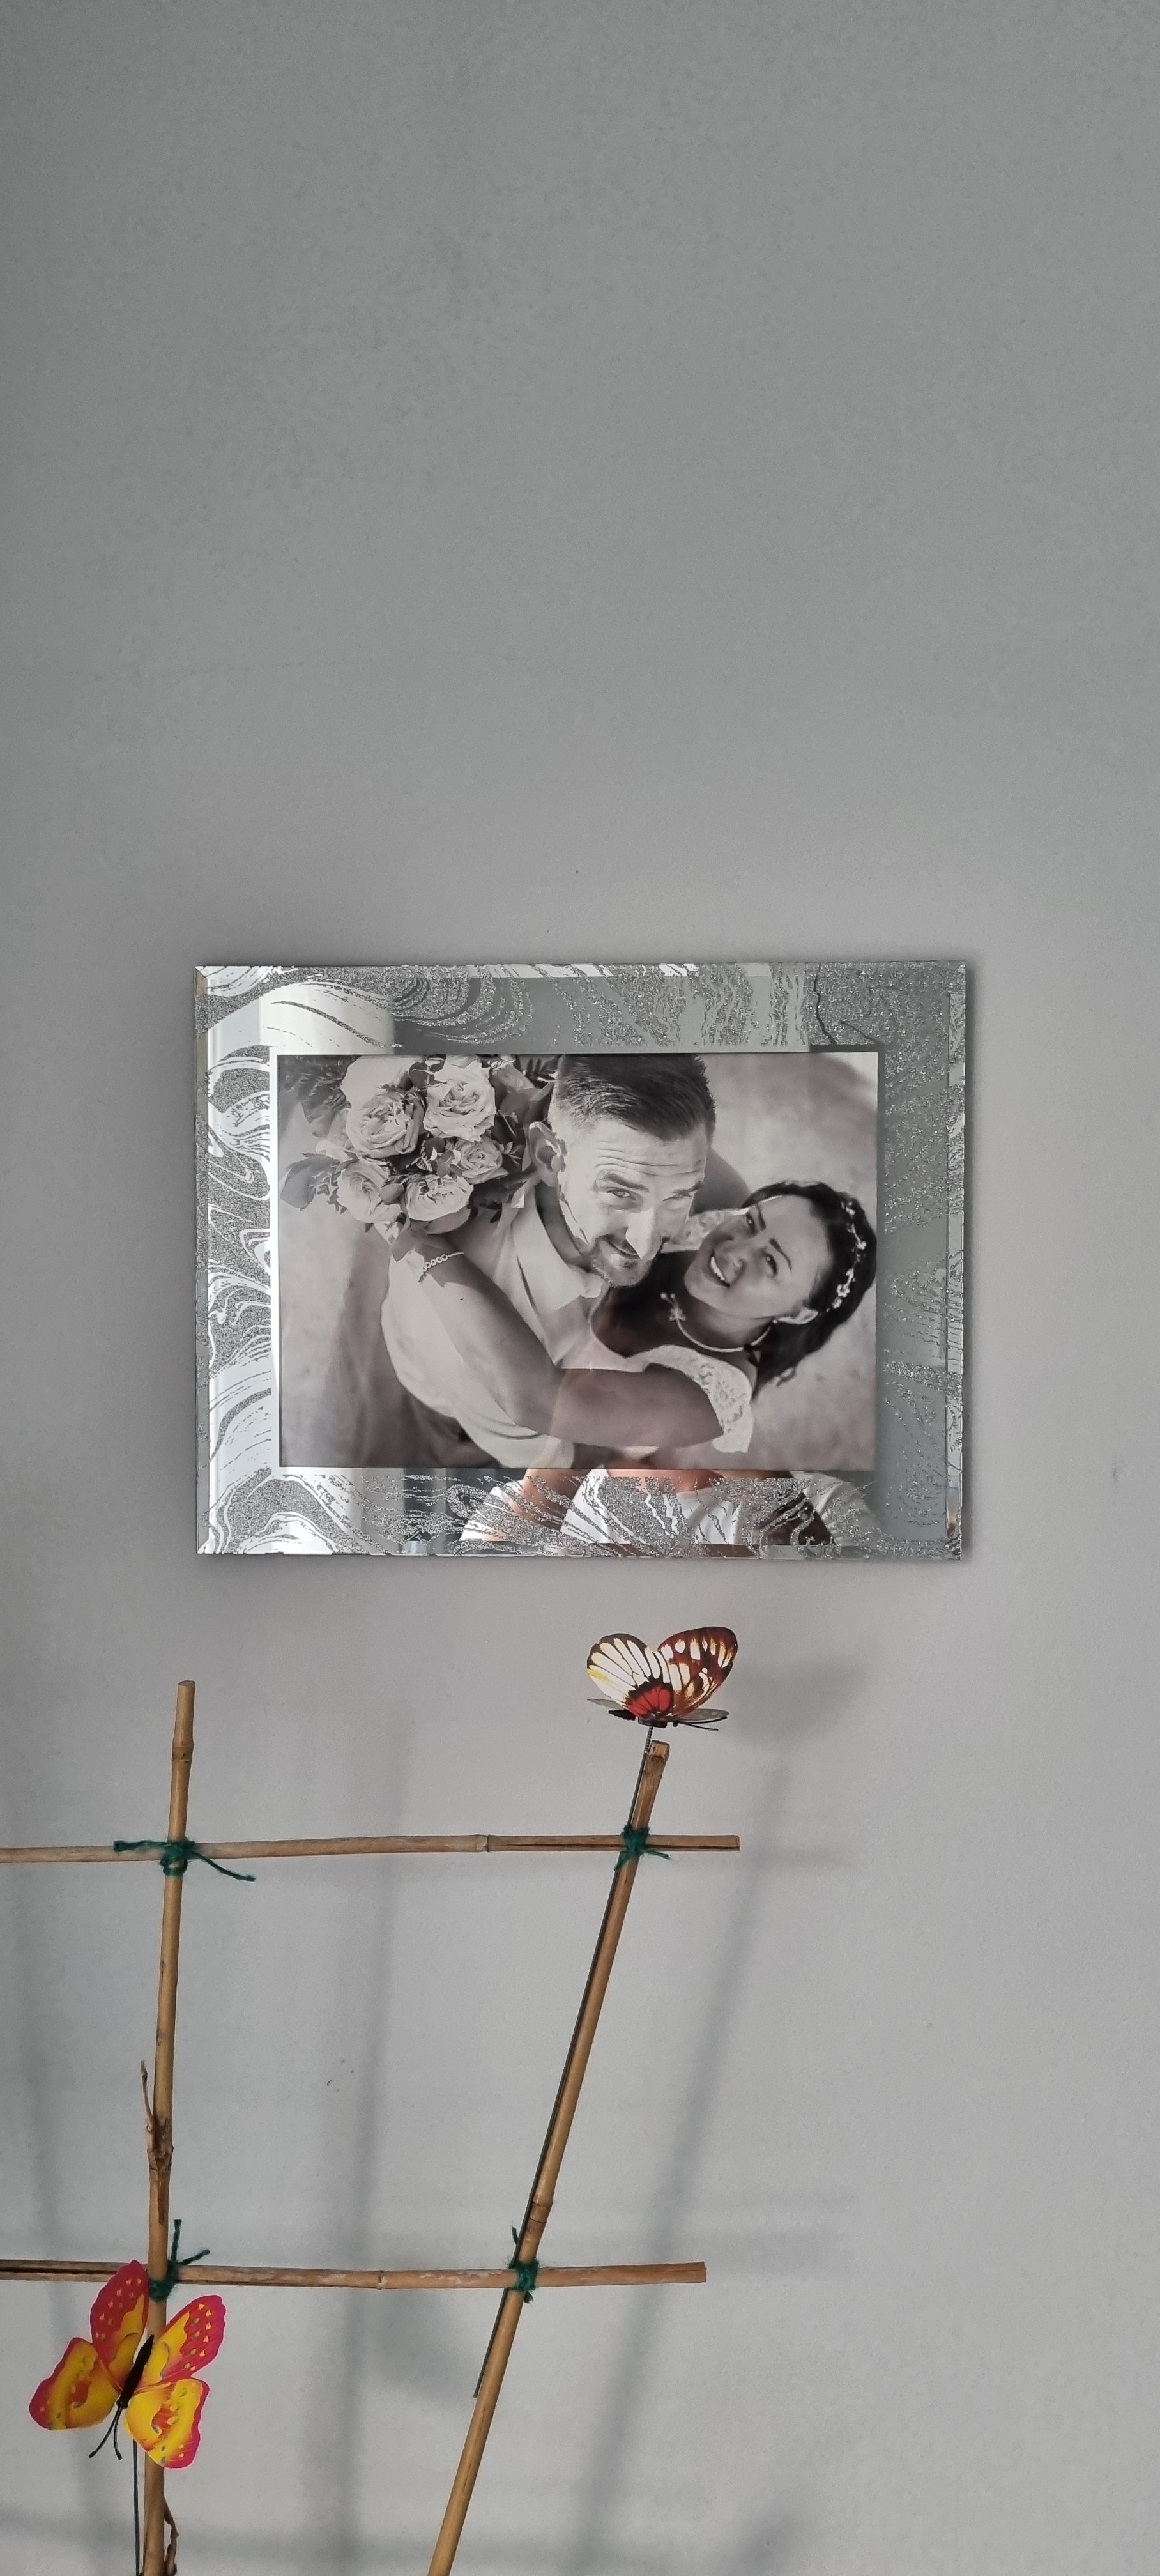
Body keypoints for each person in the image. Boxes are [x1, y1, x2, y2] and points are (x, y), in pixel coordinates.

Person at [381, 1054, 745, 1467]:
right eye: (620, 1193)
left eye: (678, 1197)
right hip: (466, 1426)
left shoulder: (643, 1157)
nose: (645, 1243)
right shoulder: (467, 1341)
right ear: (550, 1158)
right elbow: (553, 1463)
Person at [393, 1176, 877, 1487]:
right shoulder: (715, 1206)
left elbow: (538, 1401)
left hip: (516, 1438)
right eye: (752, 1222)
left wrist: (419, 1243)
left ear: (798, 1313)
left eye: (770, 1263)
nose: (733, 1250)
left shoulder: (709, 1399)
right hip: (487, 1326)